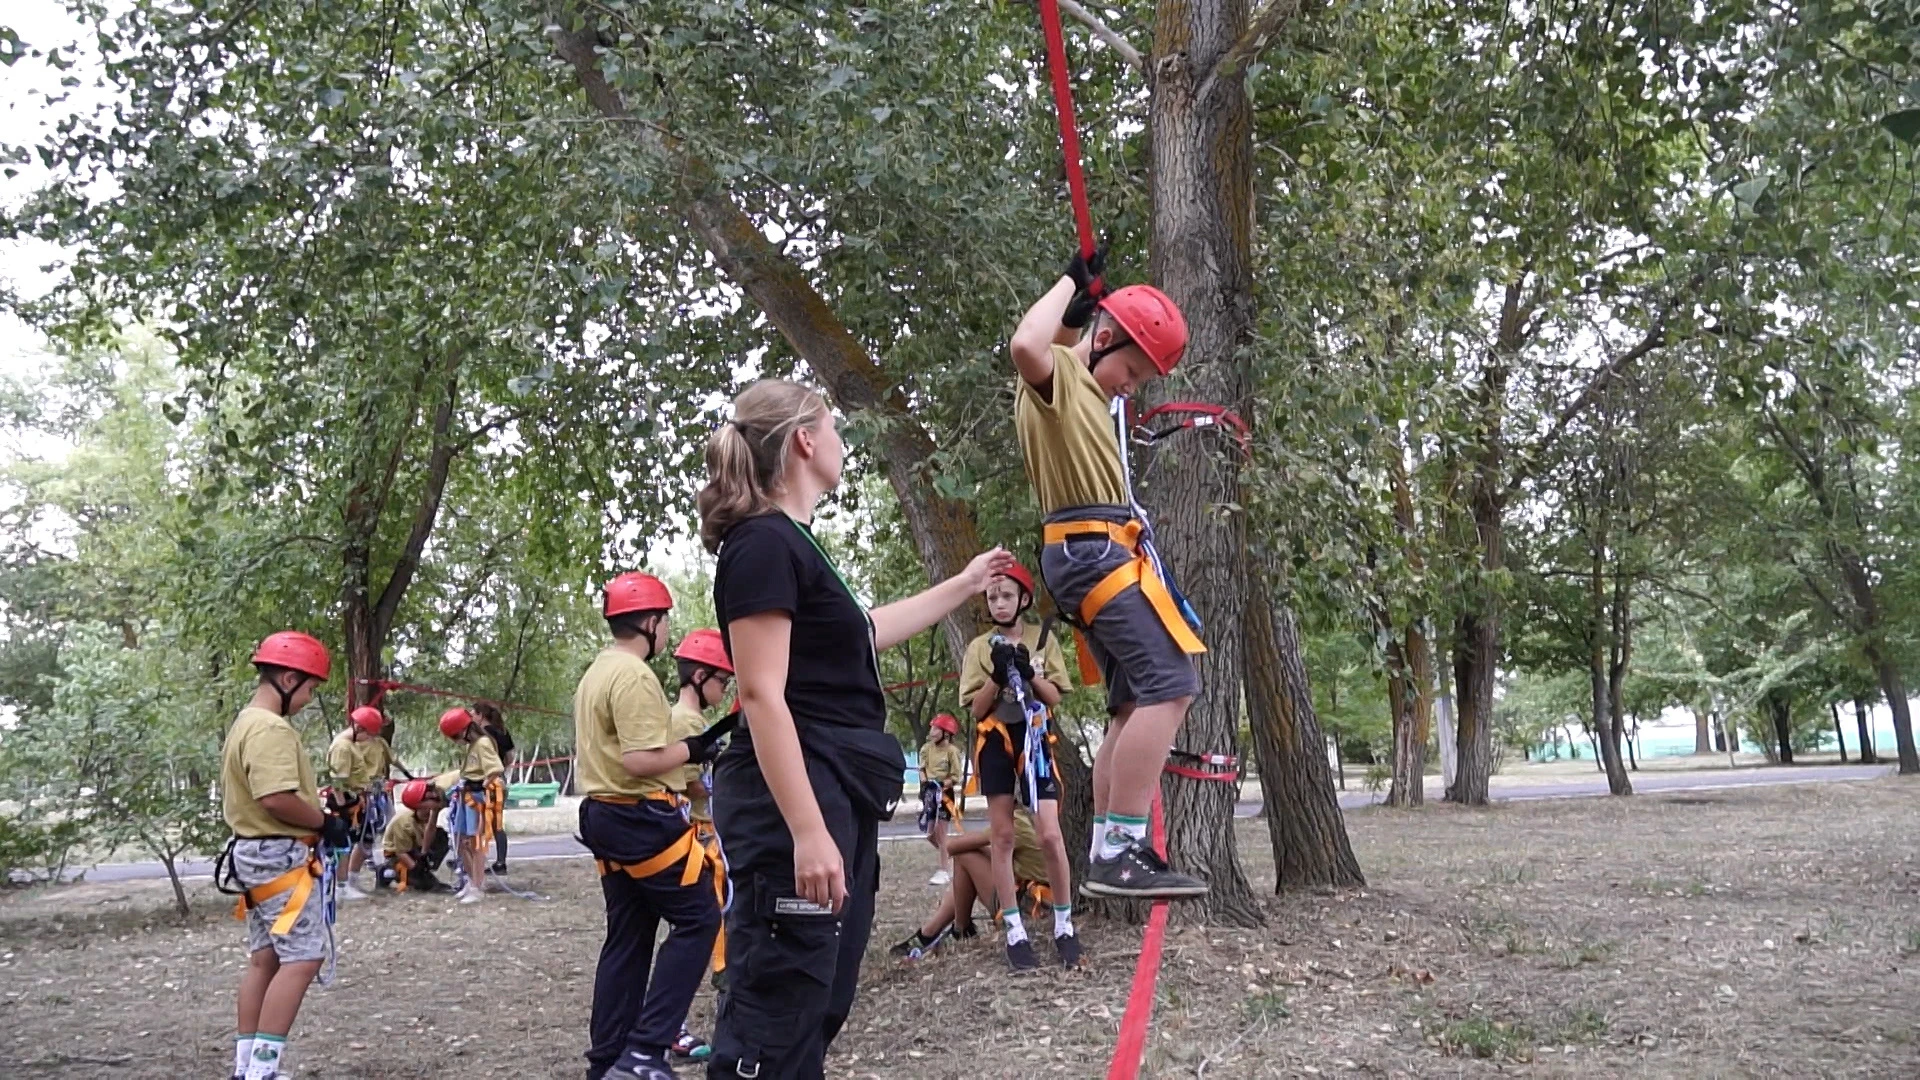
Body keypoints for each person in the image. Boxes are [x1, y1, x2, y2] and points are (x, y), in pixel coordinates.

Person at [698, 378, 1015, 1080]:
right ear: (805, 440)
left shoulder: (797, 548)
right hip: (795, 802)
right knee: (777, 1008)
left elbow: (866, 632)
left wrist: (964, 585)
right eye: (835, 427)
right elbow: (759, 693)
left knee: (822, 997)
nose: (844, 443)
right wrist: (809, 832)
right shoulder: (761, 546)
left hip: (833, 791)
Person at [1007, 253, 1209, 900]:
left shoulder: (1079, 382)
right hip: (1092, 552)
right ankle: (1122, 849)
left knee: (1131, 701)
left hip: (1100, 552)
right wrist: (1070, 279)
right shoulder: (1060, 382)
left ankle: (1107, 848)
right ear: (1105, 339)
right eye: (1131, 369)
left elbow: (1062, 339)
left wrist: (1080, 301)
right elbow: (1028, 344)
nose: (1132, 385)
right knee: (1171, 682)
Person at [575, 572, 733, 1080]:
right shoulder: (636, 675)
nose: (667, 632)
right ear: (650, 622)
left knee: (630, 932)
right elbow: (641, 760)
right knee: (700, 918)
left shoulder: (597, 671)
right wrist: (693, 750)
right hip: (638, 814)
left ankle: (608, 1060)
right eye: (664, 621)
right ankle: (646, 1050)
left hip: (602, 813)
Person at [218, 631, 351, 1080]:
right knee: (303, 958)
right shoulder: (270, 728)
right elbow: (275, 797)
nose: (310, 698)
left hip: (254, 852)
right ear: (289, 678)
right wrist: (323, 822)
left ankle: (246, 1068)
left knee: (267, 959)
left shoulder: (246, 721)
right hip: (279, 855)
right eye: (311, 689)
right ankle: (262, 1071)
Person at [959, 561, 1080, 969]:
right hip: (995, 739)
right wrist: (996, 675)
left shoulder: (1042, 639)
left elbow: (1055, 697)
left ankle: (1064, 923)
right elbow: (976, 709)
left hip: (1035, 738)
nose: (999, 602)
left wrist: (1028, 673)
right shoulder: (978, 647)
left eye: (1007, 595)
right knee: (1004, 835)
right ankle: (1014, 928)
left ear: (1024, 599)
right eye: (993, 596)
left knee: (1049, 834)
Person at [668, 626, 737, 1061]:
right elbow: (688, 784)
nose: (724, 687)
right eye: (721, 679)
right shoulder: (686, 724)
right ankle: (671, 1025)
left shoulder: (693, 722)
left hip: (704, 837)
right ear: (698, 676)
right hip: (693, 840)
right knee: (695, 932)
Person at [891, 805, 1052, 961]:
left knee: (964, 855)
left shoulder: (1017, 822)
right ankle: (942, 930)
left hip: (1029, 908)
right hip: (1039, 902)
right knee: (970, 857)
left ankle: (955, 930)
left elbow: (952, 847)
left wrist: (934, 834)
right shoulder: (1040, 815)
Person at [324, 705, 393, 900]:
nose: (370, 739)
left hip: (354, 799)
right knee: (342, 843)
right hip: (344, 801)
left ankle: (344, 883)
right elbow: (338, 780)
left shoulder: (350, 744)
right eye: (369, 734)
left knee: (349, 842)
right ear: (359, 728)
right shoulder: (342, 746)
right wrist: (343, 807)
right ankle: (341, 886)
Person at [438, 706, 505, 904]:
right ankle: (469, 880)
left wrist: (483, 786)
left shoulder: (483, 743)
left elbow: (496, 768)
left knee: (475, 844)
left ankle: (477, 886)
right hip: (464, 796)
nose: (455, 740)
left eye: (455, 735)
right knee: (460, 841)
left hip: (476, 798)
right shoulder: (471, 746)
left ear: (465, 730)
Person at [376, 778, 451, 893]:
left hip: (415, 848)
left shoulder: (430, 812)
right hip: (399, 854)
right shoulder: (404, 822)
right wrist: (417, 870)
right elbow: (400, 852)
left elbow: (430, 830)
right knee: (423, 883)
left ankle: (425, 870)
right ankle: (387, 871)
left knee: (441, 836)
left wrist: (424, 856)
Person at [916, 713, 964, 887]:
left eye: (936, 728)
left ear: (946, 733)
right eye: (932, 727)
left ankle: (944, 871)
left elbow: (956, 776)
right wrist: (924, 782)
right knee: (930, 834)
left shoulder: (952, 752)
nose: (932, 731)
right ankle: (953, 855)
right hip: (929, 793)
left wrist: (942, 783)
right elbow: (922, 768)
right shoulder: (926, 749)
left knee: (941, 831)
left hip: (944, 794)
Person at [473, 701, 516, 874]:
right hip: (500, 780)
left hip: (487, 781)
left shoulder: (481, 735)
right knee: (496, 823)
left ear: (481, 715)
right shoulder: (503, 732)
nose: (471, 718)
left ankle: (475, 859)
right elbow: (511, 756)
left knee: (480, 823)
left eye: (473, 714)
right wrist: (501, 767)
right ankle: (500, 862)